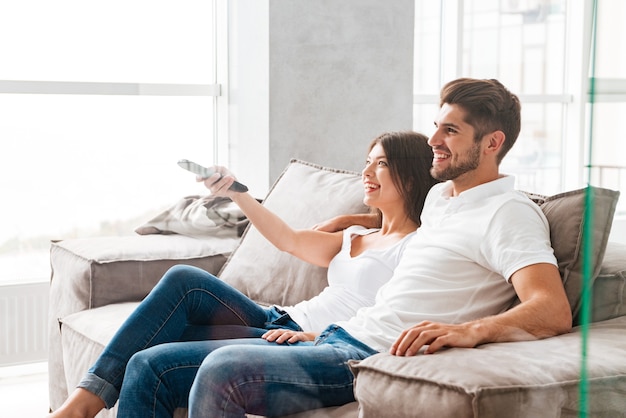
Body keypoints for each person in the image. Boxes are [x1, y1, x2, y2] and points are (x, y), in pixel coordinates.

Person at [163, 77, 570, 417]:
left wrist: (471, 331)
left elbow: (551, 308)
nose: (433, 139)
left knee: (224, 367)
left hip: (369, 357)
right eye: (436, 126)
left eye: (451, 130)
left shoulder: (509, 213)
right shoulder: (441, 198)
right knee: (162, 360)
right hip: (342, 338)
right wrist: (351, 223)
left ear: (492, 142)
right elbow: (399, 229)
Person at [48, 130, 439, 418]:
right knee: (184, 282)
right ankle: (84, 400)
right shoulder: (355, 235)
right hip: (276, 319)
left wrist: (317, 335)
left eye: (382, 163)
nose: (367, 171)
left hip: (308, 340)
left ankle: (81, 405)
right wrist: (237, 192)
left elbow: (392, 317)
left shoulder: (418, 246)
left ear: (411, 174)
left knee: (149, 361)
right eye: (367, 161)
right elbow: (286, 239)